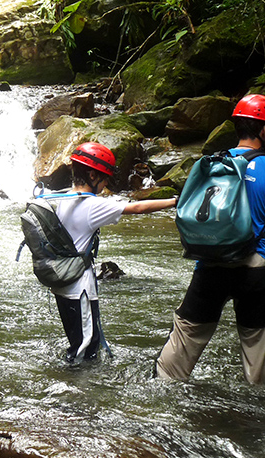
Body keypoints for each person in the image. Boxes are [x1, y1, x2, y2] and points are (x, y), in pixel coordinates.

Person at [155, 94, 265, 384]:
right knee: (256, 345)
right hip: (256, 266)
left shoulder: (209, 163)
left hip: (211, 262)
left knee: (187, 335)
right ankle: (255, 410)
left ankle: (161, 389)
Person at [47, 142, 177, 363]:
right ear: (92, 175)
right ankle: (78, 393)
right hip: (80, 289)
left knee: (77, 343)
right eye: (104, 177)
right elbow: (137, 208)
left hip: (61, 284)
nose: (106, 183)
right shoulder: (91, 206)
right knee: (86, 349)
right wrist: (175, 201)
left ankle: (74, 387)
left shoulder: (64, 199)